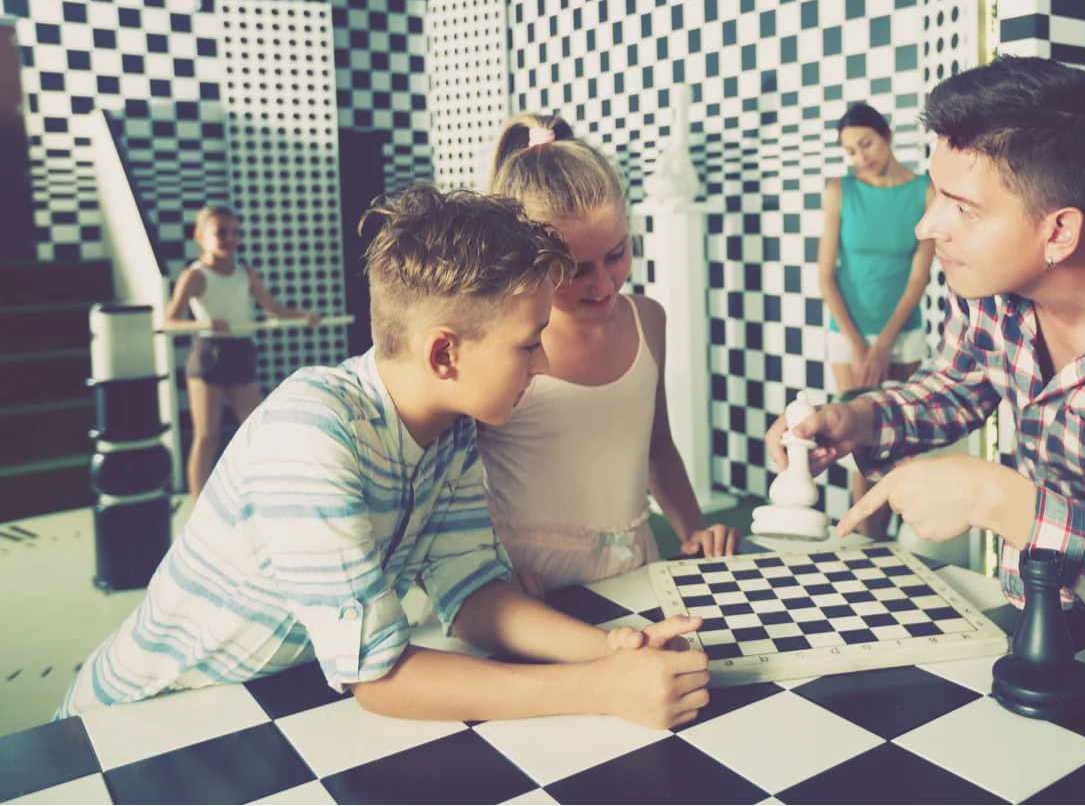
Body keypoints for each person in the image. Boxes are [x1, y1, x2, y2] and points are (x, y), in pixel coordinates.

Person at [59, 186, 710, 729]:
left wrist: (612, 649)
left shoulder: (448, 430)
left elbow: (473, 592)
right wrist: (601, 691)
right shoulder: (312, 436)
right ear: (444, 354)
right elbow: (379, 675)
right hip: (132, 724)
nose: (542, 364)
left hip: (260, 705)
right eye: (527, 344)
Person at [767, 57, 1085, 674]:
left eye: (961, 207)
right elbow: (954, 386)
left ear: (1058, 233)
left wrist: (1000, 500)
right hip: (1033, 613)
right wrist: (861, 418)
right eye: (934, 194)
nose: (927, 228)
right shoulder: (987, 281)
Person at [481, 113, 736, 598]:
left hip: (636, 563)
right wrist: (480, 574)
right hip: (527, 581)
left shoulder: (648, 321)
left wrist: (694, 531)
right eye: (575, 270)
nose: (604, 284)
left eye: (617, 253)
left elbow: (657, 448)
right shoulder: (499, 344)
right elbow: (453, 480)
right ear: (523, 259)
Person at [818, 104, 935, 538]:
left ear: (886, 134)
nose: (860, 155)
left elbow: (919, 276)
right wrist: (859, 345)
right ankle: (865, 546)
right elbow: (826, 278)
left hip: (902, 332)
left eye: (865, 143)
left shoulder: (926, 190)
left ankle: (891, 543)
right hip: (847, 331)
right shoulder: (839, 190)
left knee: (898, 436)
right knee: (858, 437)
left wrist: (884, 343)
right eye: (850, 150)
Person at [162, 205, 321, 497]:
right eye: (221, 232)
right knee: (207, 437)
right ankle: (198, 509)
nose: (231, 238)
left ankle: (260, 496)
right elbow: (168, 322)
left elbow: (273, 309)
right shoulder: (194, 276)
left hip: (241, 352)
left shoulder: (245, 272)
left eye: (235, 232)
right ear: (199, 236)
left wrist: (303, 317)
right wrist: (205, 323)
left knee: (257, 430)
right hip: (209, 354)